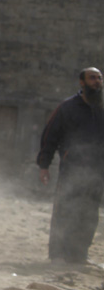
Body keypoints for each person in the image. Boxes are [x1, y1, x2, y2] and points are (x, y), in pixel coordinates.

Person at [36, 67, 104, 264]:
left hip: (97, 170)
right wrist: (44, 165)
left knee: (89, 213)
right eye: (92, 78)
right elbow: (50, 136)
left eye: (99, 78)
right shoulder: (67, 107)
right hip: (72, 168)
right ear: (81, 82)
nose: (97, 82)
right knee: (65, 210)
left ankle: (80, 254)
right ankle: (58, 254)